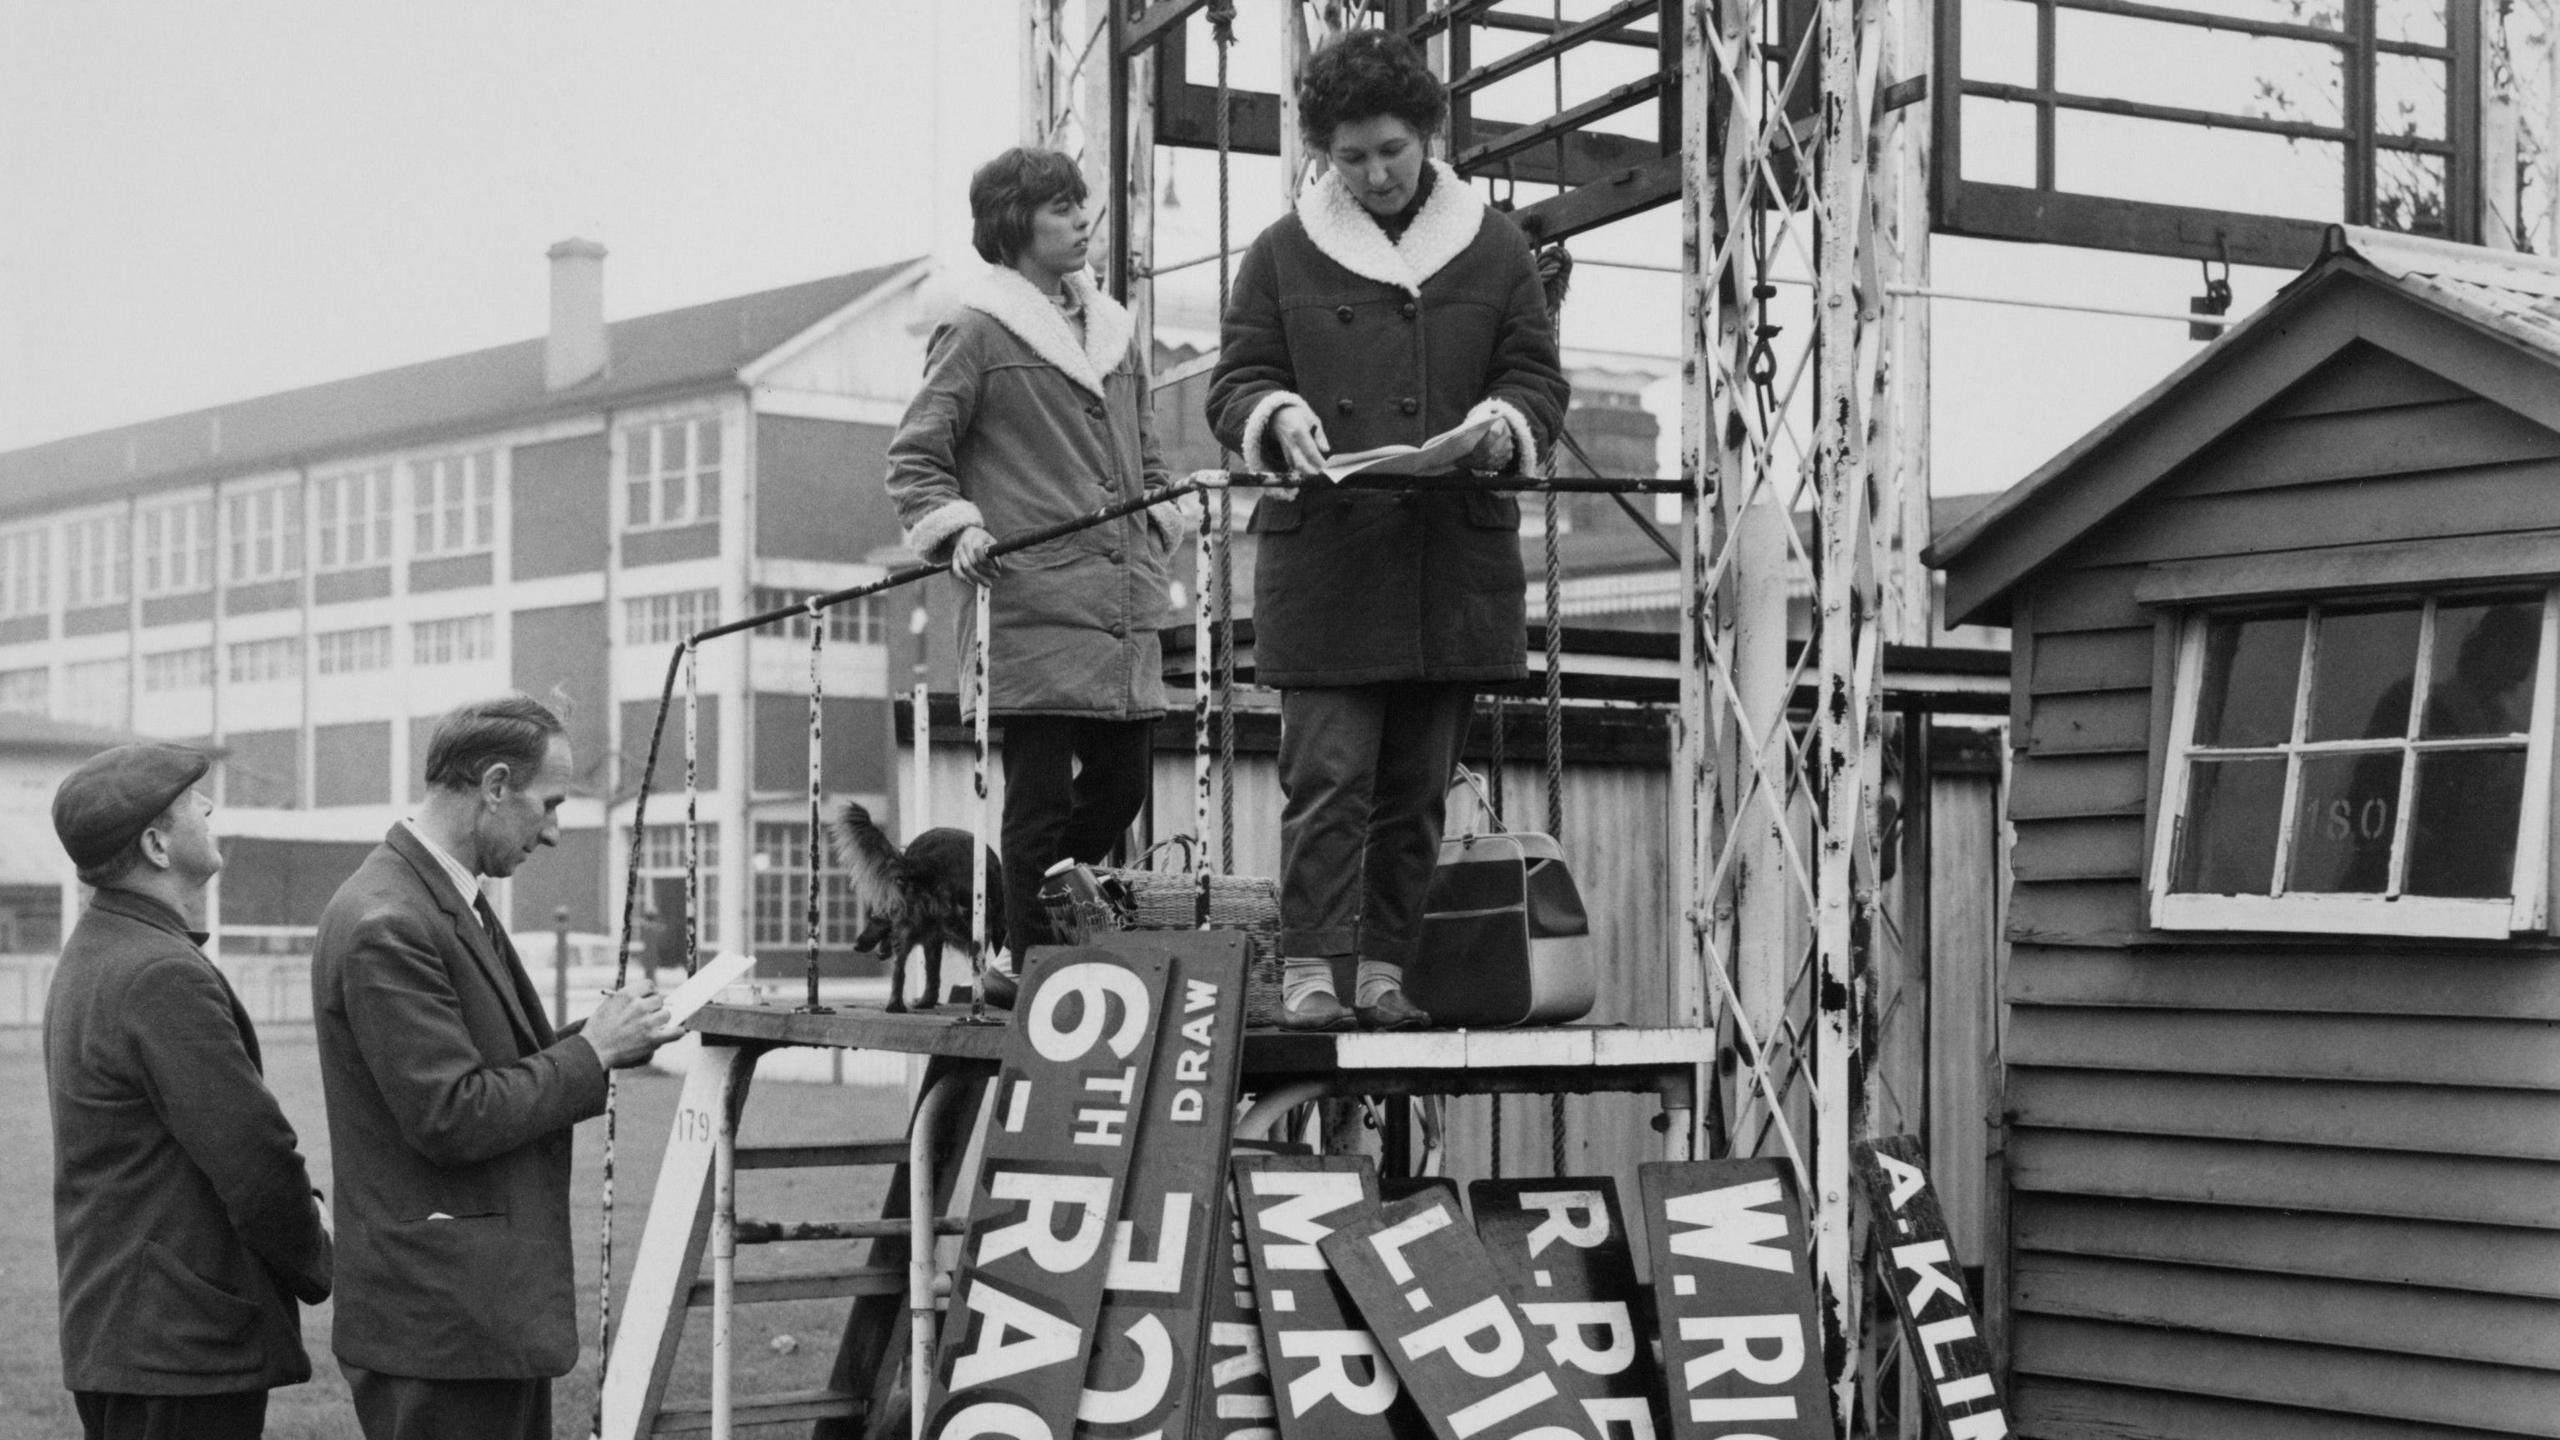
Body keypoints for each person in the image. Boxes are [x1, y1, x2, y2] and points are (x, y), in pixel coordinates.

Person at [1207, 29, 1570, 1030]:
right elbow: (1234, 380)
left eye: (1390, 152)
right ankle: (1311, 971)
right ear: (1323, 150)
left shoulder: (1495, 250)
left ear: (1428, 137)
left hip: (1446, 562)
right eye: (1350, 155)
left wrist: (1503, 428)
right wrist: (1273, 415)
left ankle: (1382, 971)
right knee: (1325, 779)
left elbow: (1534, 376)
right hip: (1329, 562)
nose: (1371, 173)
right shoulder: (1281, 253)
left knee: (1414, 789)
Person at [312, 695, 678, 1440]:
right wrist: (593, 1052)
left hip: (472, 1321)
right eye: (550, 804)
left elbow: (493, 1066)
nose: (551, 832)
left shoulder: (440, 898)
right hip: (441, 1329)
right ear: (497, 785)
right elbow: (451, 1113)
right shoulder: (390, 920)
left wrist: (611, 1034)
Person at [886, 146, 1185, 992]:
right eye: (1061, 208)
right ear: (1017, 226)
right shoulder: (976, 331)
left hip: (1120, 600)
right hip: (1030, 599)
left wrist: (1165, 511)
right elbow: (916, 460)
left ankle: (1036, 929)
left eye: (1081, 203)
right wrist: (958, 530)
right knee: (1040, 796)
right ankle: (1026, 957)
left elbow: (1147, 454)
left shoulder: (1116, 332)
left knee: (1124, 785)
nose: (1082, 219)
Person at [44, 743, 333, 1440]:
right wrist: (316, 1249)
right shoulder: (158, 973)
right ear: (155, 844)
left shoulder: (98, 952)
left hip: (131, 1339)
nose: (209, 808)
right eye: (192, 805)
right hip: (179, 1348)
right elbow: (253, 1159)